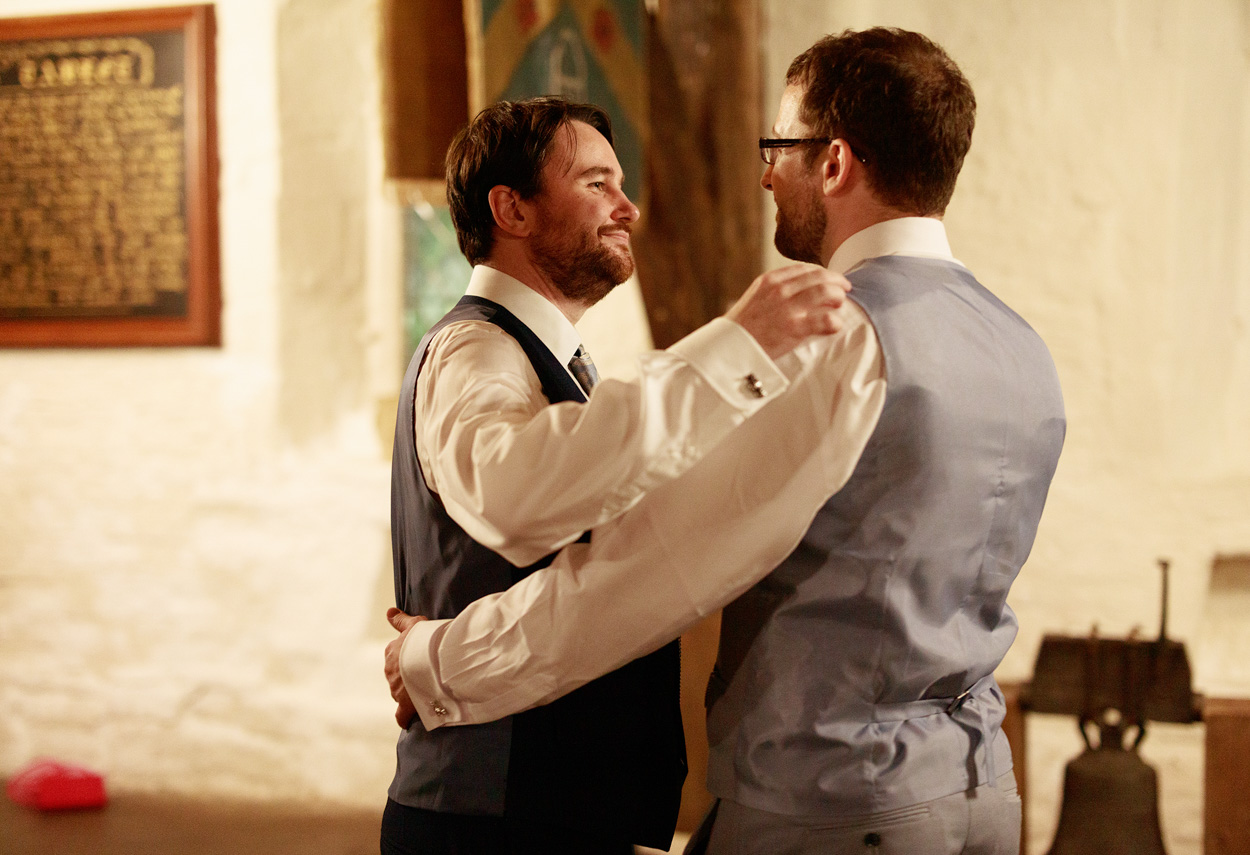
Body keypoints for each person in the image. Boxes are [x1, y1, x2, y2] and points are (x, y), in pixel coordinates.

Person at [389, 29, 1066, 855]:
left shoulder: (836, 334)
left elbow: (658, 566)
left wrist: (440, 661)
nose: (765, 174)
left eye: (778, 148)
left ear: (834, 163)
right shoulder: (1019, 342)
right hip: (980, 789)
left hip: (838, 796)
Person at [382, 95, 851, 855]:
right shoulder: (477, 349)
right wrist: (732, 348)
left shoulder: (553, 359)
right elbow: (513, 494)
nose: (627, 209)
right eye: (597, 183)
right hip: (494, 815)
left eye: (620, 185)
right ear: (512, 209)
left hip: (549, 810)